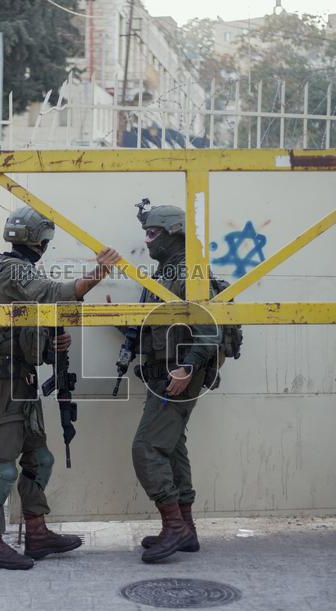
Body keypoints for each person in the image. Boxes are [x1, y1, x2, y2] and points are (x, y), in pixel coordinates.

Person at [0, 206, 120, 570]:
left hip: (21, 378)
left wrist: (47, 342)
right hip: (2, 381)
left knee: (39, 459)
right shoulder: (13, 270)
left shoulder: (20, 270)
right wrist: (100, 272)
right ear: (40, 240)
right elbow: (56, 293)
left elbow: (27, 319)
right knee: (3, 466)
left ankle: (36, 533)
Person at [128, 202, 221, 563]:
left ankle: (173, 526)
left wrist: (187, 368)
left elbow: (210, 328)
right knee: (172, 447)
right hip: (164, 373)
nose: (148, 240)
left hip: (180, 374)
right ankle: (187, 529)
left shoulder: (189, 272)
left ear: (172, 233)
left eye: (153, 233)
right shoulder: (166, 273)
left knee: (146, 447)